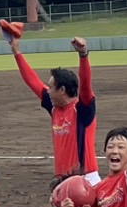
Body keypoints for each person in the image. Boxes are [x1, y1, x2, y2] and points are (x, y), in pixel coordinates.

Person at [7, 34, 99, 187]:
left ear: (62, 90)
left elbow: (86, 85)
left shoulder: (82, 111)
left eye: (51, 87)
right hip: (62, 180)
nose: (47, 91)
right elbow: (32, 81)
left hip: (85, 179)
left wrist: (83, 55)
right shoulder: (55, 108)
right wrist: (16, 51)